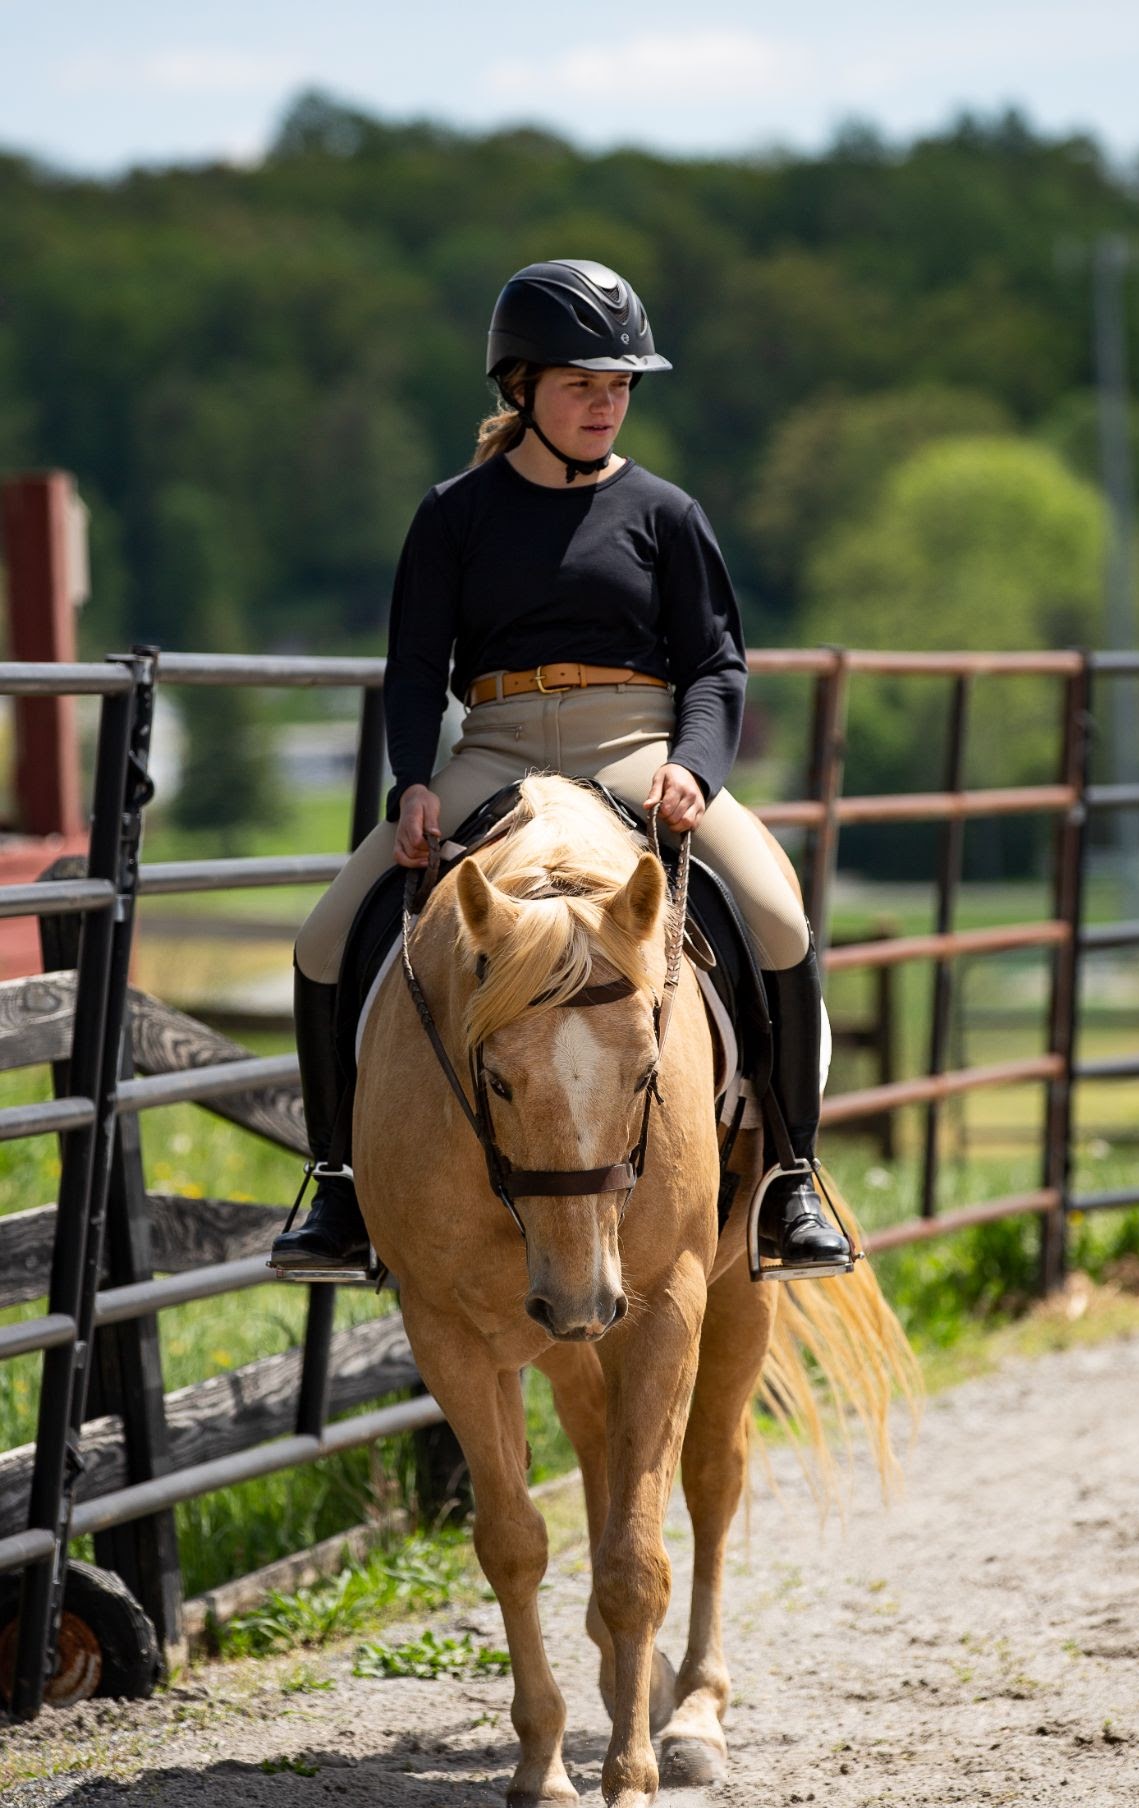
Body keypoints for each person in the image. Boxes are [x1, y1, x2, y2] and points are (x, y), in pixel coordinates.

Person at [270, 257, 850, 1278]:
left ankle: (789, 1179)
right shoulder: (454, 515)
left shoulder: (667, 515)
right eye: (584, 383)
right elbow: (413, 669)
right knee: (325, 939)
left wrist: (696, 772)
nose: (606, 404)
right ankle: (339, 1189)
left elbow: (716, 662)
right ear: (521, 388)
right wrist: (413, 778)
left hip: (635, 748)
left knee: (777, 918)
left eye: (621, 384)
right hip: (491, 748)